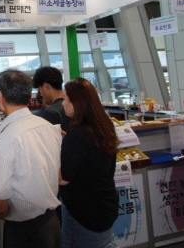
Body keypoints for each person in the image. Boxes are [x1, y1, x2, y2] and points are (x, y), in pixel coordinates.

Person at [0, 69, 62, 248]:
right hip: (53, 224)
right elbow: (58, 176)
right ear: (29, 96)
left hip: (23, 232)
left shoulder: (4, 140)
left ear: (0, 96)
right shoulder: (49, 127)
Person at [59, 77, 120, 248]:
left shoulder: (77, 136)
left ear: (76, 103)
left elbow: (63, 178)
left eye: (65, 99)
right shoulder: (104, 126)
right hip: (104, 203)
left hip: (83, 212)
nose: (63, 103)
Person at [32, 66, 70, 133]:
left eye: (40, 89)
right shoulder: (73, 105)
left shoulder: (51, 113)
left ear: (46, 87)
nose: (41, 94)